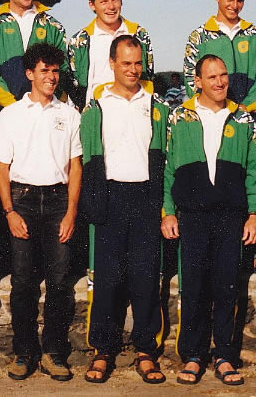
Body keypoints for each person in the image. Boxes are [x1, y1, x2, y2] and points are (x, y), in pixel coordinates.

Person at [162, 54, 256, 386]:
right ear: (198, 82)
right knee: (193, 288)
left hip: (230, 217)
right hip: (192, 217)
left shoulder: (243, 119)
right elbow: (169, 168)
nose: (220, 82)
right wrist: (168, 211)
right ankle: (193, 355)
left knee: (226, 287)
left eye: (223, 75)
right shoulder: (180, 117)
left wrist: (253, 214)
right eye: (212, 77)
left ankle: (224, 355)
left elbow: (254, 171)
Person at [80, 35, 169, 385]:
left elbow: (164, 156)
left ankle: (146, 351)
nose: (133, 70)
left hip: (146, 198)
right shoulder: (97, 105)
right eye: (126, 63)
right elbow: (89, 157)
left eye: (137, 63)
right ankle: (103, 350)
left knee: (145, 279)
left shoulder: (156, 105)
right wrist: (94, 203)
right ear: (112, 64)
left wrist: (162, 205)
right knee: (107, 280)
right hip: (110, 197)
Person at [0, 43, 82, 381]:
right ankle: (24, 351)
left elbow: (75, 166)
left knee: (59, 281)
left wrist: (71, 212)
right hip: (22, 201)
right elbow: (2, 167)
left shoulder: (69, 115)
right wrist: (9, 212)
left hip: (58, 201)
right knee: (23, 282)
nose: (51, 77)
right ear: (30, 74)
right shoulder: (10, 115)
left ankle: (53, 352)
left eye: (55, 71)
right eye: (44, 70)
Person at [183, 0, 256, 113]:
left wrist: (245, 108)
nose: (235, 6)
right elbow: (190, 79)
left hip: (248, 116)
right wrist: (215, 108)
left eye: (240, 0)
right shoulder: (199, 37)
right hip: (211, 115)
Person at [68, 0, 153, 110]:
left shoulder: (139, 34)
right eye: (104, 2)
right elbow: (75, 86)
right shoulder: (79, 41)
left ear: (121, 1)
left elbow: (147, 77)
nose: (111, 7)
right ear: (92, 5)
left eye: (115, 0)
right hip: (96, 114)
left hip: (132, 110)